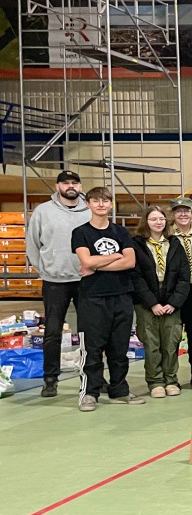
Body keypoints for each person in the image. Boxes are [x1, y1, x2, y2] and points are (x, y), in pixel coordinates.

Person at [71, 186, 141, 410]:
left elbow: (129, 262)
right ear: (88, 204)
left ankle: (119, 389)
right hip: (93, 297)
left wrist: (98, 263)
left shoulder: (121, 232)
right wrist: (114, 256)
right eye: (96, 200)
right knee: (92, 348)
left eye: (105, 200)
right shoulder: (81, 232)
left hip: (121, 295)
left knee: (119, 348)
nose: (101, 204)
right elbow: (86, 262)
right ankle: (89, 393)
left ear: (111, 204)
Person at [26, 170, 90, 398]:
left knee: (90, 332)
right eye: (66, 183)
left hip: (86, 280)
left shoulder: (90, 210)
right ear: (57, 186)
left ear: (80, 186)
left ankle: (91, 378)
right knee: (52, 332)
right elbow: (32, 243)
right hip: (54, 281)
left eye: (75, 182)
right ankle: (50, 379)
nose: (70, 186)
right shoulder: (43, 212)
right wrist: (43, 269)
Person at [130, 205, 189, 399]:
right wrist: (152, 303)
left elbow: (183, 276)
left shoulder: (174, 244)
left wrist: (174, 302)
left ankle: (171, 380)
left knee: (171, 343)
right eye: (154, 219)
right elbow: (135, 277)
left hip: (171, 302)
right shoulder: (137, 245)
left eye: (162, 219)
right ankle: (155, 381)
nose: (158, 222)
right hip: (147, 303)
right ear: (146, 222)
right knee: (152, 344)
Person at [169, 197, 192, 387]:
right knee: (173, 334)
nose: (183, 214)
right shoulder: (167, 236)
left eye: (186, 210)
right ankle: (170, 376)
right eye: (178, 211)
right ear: (173, 214)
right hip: (173, 290)